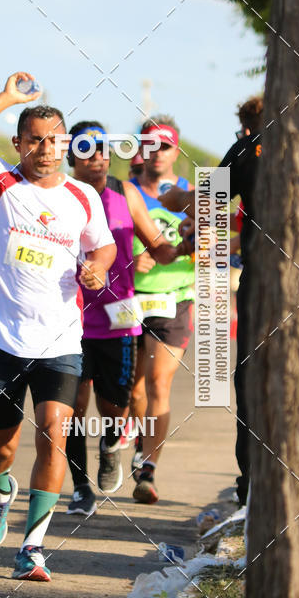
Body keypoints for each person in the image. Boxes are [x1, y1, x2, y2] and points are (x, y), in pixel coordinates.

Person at [0, 73, 116, 581]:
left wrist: (99, 266)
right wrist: (8, 97)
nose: (45, 148)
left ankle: (33, 547)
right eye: (34, 139)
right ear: (18, 143)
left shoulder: (83, 196)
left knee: (54, 436)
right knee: (4, 445)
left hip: (61, 338)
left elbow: (100, 245)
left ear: (66, 144)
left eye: (54, 139)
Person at [63, 122, 190, 515]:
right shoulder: (58, 196)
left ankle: (112, 441)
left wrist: (187, 244)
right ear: (71, 157)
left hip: (117, 320)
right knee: (71, 409)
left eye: (104, 148)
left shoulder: (126, 193)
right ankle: (81, 487)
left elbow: (163, 250)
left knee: (116, 408)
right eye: (87, 149)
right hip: (67, 319)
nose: (98, 156)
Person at [160, 96, 263, 506]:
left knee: (251, 382)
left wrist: (173, 197)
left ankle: (252, 487)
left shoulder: (249, 148)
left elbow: (206, 204)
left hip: (264, 288)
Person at [128, 117, 195, 504]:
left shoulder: (190, 195)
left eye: (165, 146)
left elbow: (214, 249)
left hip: (175, 299)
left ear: (176, 151)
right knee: (133, 388)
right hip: (129, 299)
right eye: (150, 145)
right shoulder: (124, 193)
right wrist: (131, 263)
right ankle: (139, 441)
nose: (157, 153)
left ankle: (149, 469)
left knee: (159, 382)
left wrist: (194, 247)